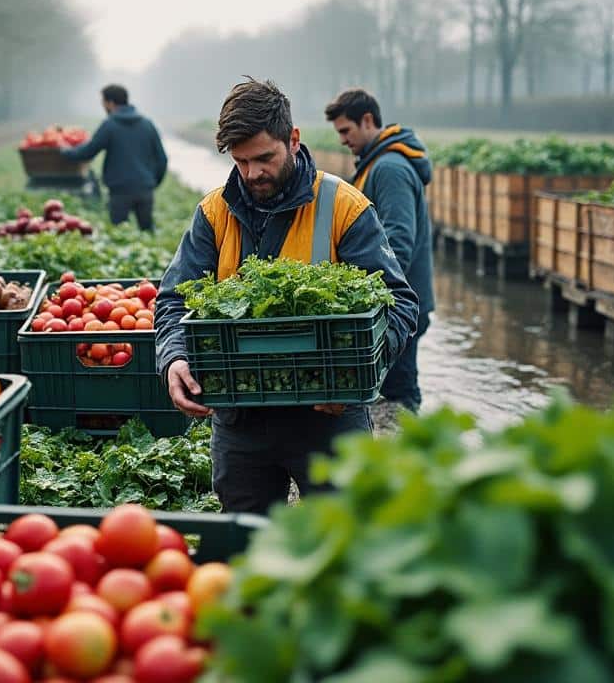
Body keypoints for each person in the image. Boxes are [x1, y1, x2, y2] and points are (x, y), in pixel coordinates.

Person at [154, 78, 420, 514]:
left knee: (339, 543)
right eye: (241, 162)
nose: (253, 173)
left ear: (293, 140)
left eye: (264, 158)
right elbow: (172, 300)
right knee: (243, 542)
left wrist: (357, 372)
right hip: (240, 417)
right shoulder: (213, 212)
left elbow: (398, 302)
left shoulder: (343, 206)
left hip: (328, 414)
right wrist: (175, 358)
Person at [325, 88, 434, 414]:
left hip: (398, 305)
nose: (343, 140)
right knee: (391, 387)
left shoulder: (389, 169)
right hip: (396, 302)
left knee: (399, 392)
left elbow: (398, 240)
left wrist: (377, 296)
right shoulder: (376, 164)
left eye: (346, 130)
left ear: (368, 120)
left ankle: (411, 445)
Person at [60, 84, 168, 232]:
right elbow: (162, 159)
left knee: (118, 234)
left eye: (103, 102)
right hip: (144, 188)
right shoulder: (147, 124)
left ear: (110, 103)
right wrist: (153, 182)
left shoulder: (110, 125)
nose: (103, 106)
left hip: (119, 190)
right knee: (147, 230)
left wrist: (65, 151)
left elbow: (89, 151)